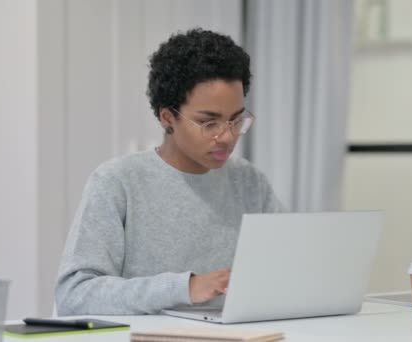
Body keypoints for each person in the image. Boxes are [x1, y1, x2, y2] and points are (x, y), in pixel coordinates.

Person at [55, 28, 284, 316]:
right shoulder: (118, 181)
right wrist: (184, 288)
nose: (227, 137)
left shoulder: (250, 182)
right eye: (209, 123)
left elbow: (288, 266)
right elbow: (74, 294)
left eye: (236, 120)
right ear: (168, 117)